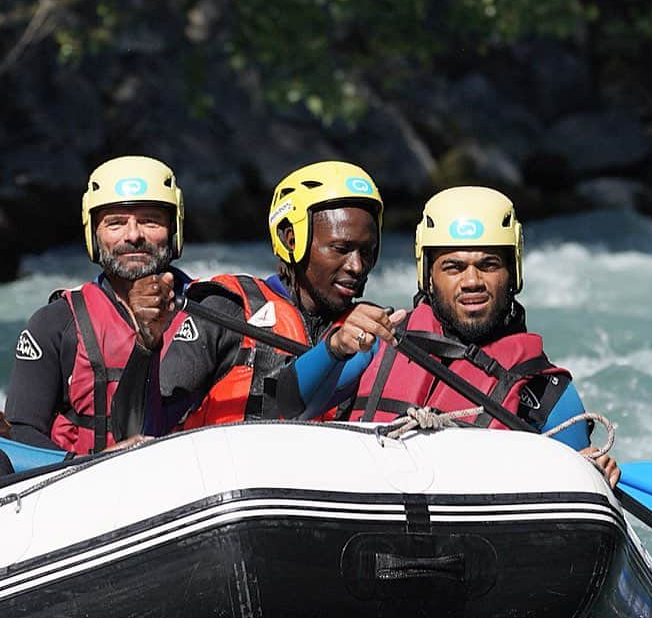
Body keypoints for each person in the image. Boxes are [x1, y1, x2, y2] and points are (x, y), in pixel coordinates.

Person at [287, 185, 620, 486]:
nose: (472, 280)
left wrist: (596, 474)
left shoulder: (545, 392)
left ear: (512, 273)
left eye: (488, 265)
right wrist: (333, 349)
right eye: (454, 267)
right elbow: (285, 409)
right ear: (428, 277)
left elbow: (579, 501)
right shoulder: (376, 342)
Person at [118, 160, 397, 430]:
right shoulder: (224, 309)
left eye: (367, 251)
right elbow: (137, 432)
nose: (357, 266)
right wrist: (147, 345)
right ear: (292, 240)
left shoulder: (371, 329)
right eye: (340, 248)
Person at [2, 155, 191, 457]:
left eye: (150, 220)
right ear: (94, 233)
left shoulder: (215, 310)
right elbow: (21, 435)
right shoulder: (54, 324)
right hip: (87, 489)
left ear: (174, 227)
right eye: (115, 223)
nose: (133, 235)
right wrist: (96, 466)